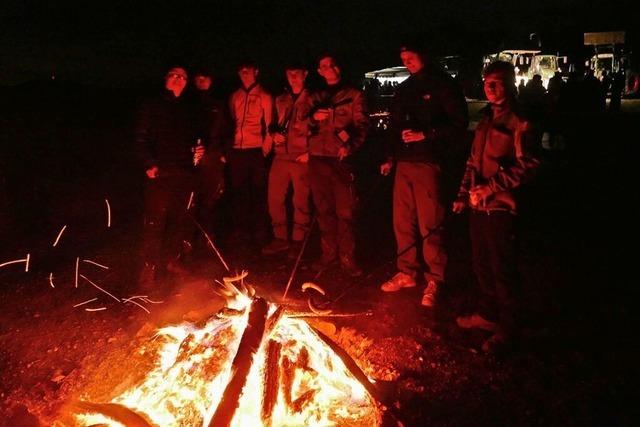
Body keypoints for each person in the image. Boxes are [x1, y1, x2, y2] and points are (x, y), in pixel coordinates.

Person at [452, 61, 540, 352]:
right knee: (482, 265)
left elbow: (528, 164)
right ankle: (488, 315)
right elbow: (472, 161)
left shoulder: (519, 120)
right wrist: (463, 193)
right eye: (487, 82)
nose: (490, 88)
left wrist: (490, 188)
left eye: (497, 82)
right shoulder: (486, 119)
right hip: (478, 208)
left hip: (502, 207)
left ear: (510, 84)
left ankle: (509, 325)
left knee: (503, 268)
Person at [379, 42, 469, 307]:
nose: (407, 61)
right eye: (403, 57)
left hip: (430, 162)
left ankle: (435, 279)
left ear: (425, 54)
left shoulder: (444, 85)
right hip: (405, 162)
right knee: (402, 220)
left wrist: (426, 134)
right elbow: (394, 125)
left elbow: (459, 124)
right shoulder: (405, 88)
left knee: (430, 222)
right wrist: (391, 155)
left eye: (411, 56)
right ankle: (407, 271)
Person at [135, 65, 201, 287]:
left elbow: (197, 138)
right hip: (160, 173)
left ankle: (175, 261)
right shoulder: (152, 105)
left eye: (182, 76)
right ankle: (148, 269)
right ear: (166, 78)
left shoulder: (190, 108)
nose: (178, 79)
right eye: (174, 75)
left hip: (184, 172)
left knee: (182, 221)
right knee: (155, 222)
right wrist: (148, 163)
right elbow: (141, 137)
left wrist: (200, 150)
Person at [305, 53, 369, 277]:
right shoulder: (315, 97)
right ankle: (328, 256)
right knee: (324, 211)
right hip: (317, 159)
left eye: (332, 64)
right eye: (323, 66)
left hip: (340, 161)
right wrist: (314, 118)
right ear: (319, 71)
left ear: (339, 68)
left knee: (345, 212)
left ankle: (347, 259)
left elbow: (362, 127)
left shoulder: (353, 95)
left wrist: (349, 147)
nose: (328, 68)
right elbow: (303, 125)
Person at [262, 62, 311, 256]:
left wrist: (310, 152)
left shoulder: (313, 99)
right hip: (281, 155)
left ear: (305, 74)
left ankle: (299, 240)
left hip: (302, 156)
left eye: (297, 73)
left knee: (300, 200)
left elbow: (320, 129)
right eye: (290, 73)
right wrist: (274, 134)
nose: (293, 77)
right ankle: (280, 237)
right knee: (274, 198)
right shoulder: (281, 99)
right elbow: (272, 124)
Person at [227, 59, 273, 246]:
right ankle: (241, 230)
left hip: (256, 151)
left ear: (256, 71)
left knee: (258, 192)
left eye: (248, 69)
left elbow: (270, 125)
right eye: (241, 70)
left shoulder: (264, 96)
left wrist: (264, 149)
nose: (245, 72)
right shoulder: (234, 96)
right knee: (239, 192)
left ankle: (260, 231)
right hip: (238, 150)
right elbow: (231, 123)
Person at [190, 67, 230, 239]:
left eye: (205, 78)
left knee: (211, 198)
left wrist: (224, 154)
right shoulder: (187, 103)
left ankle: (209, 235)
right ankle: (188, 237)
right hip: (192, 158)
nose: (202, 81)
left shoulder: (218, 104)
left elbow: (227, 129)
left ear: (211, 81)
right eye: (199, 78)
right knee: (191, 198)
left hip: (213, 158)